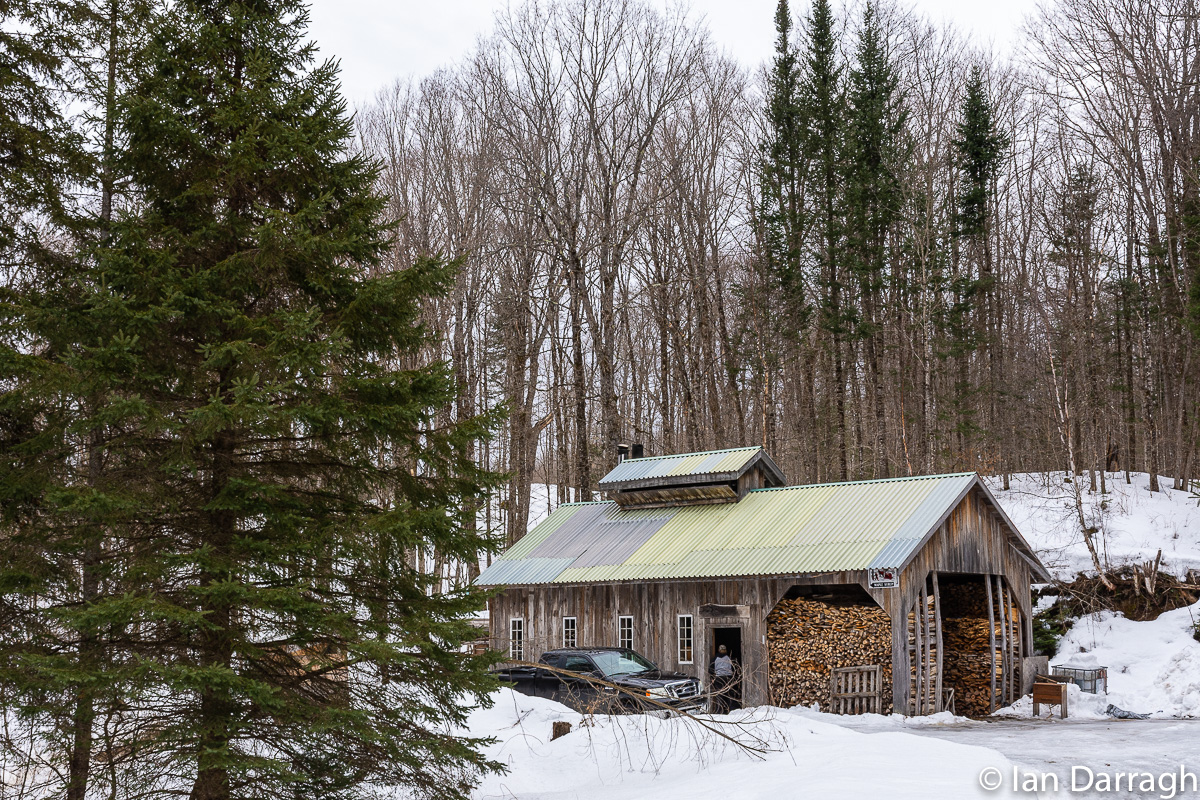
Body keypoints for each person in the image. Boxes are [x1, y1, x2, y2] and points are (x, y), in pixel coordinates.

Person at [711, 644, 736, 714]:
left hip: (719, 678)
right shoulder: (729, 658)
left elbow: (711, 669)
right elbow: (734, 668)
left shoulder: (715, 658)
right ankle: (730, 710)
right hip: (728, 678)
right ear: (725, 650)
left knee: (719, 695)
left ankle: (720, 711)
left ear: (719, 650)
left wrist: (713, 676)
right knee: (729, 694)